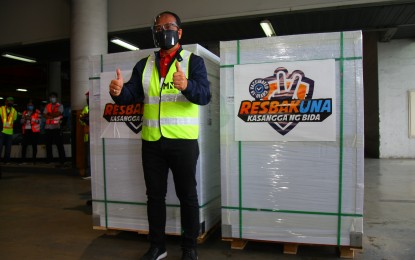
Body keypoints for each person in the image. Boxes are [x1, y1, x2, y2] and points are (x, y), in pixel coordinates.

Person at [109, 11, 210, 260]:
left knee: (187, 196)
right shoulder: (145, 64)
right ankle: (158, 246)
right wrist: (118, 92)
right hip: (152, 142)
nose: (163, 30)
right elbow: (130, 95)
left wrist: (187, 86)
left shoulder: (192, 62)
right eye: (158, 27)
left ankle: (189, 248)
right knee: (154, 197)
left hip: (183, 142)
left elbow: (205, 96)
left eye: (168, 25)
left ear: (179, 32)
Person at [43, 92, 66, 167]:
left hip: (56, 127)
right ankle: (49, 159)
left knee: (59, 144)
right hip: (48, 128)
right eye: (51, 97)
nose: (52, 98)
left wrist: (49, 114)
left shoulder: (60, 105)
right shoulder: (48, 105)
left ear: (56, 98)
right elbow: (44, 114)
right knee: (48, 145)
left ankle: (62, 160)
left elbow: (58, 113)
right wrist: (50, 115)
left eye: (53, 97)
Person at [20, 100, 41, 164]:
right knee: (24, 145)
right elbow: (21, 122)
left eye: (31, 105)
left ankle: (34, 160)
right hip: (26, 130)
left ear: (33, 106)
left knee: (34, 145)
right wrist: (24, 119)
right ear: (27, 106)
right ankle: (23, 160)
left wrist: (31, 118)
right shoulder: (24, 112)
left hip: (34, 131)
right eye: (29, 105)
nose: (30, 106)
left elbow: (39, 121)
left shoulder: (37, 112)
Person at [0, 97, 18, 164]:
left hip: (10, 132)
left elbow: (15, 120)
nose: (10, 102)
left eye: (11, 101)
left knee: (8, 149)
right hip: (1, 131)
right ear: (5, 102)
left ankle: (6, 161)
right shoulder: (1, 109)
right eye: (9, 101)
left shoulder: (14, 111)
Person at [79, 91, 90, 178]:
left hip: (97, 136)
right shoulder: (86, 108)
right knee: (88, 156)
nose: (88, 99)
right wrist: (85, 120)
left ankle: (91, 173)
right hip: (88, 136)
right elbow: (81, 120)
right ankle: (89, 173)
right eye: (87, 98)